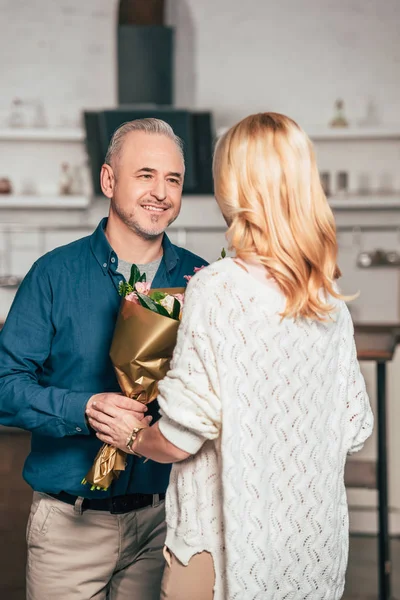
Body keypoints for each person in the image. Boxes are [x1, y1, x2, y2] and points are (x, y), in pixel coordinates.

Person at [87, 113, 374, 600]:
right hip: (310, 552)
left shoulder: (218, 288)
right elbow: (355, 428)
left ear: (234, 186)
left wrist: (132, 436)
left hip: (222, 554)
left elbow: (180, 437)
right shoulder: (327, 298)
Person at [0, 118, 207, 600]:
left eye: (173, 179)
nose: (161, 192)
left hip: (169, 523)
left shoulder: (205, 281)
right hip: (68, 529)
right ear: (109, 180)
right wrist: (84, 408)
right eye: (146, 175)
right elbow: (4, 385)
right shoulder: (53, 274)